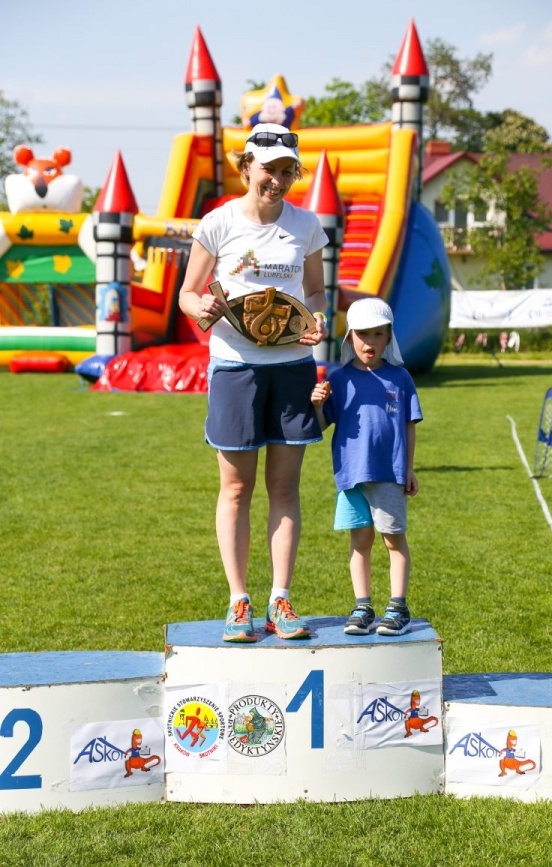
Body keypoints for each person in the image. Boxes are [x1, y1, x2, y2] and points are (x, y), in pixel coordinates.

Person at [179, 123, 329, 644]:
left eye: (288, 171)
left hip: (292, 368)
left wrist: (317, 319)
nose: (278, 181)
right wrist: (202, 306)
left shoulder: (306, 225)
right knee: (237, 488)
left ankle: (280, 600)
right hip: (234, 367)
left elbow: (316, 292)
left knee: (284, 488)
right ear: (247, 167)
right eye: (269, 170)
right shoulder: (218, 223)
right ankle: (238, 601)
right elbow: (187, 294)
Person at [311, 297, 422, 636]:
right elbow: (322, 425)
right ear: (350, 337)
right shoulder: (339, 379)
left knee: (393, 540)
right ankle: (363, 607)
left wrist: (409, 468)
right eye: (362, 334)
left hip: (389, 474)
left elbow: (409, 425)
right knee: (360, 540)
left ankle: (398, 608)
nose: (369, 342)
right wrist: (317, 405)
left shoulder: (400, 378)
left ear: (389, 337)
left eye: (378, 333)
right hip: (350, 475)